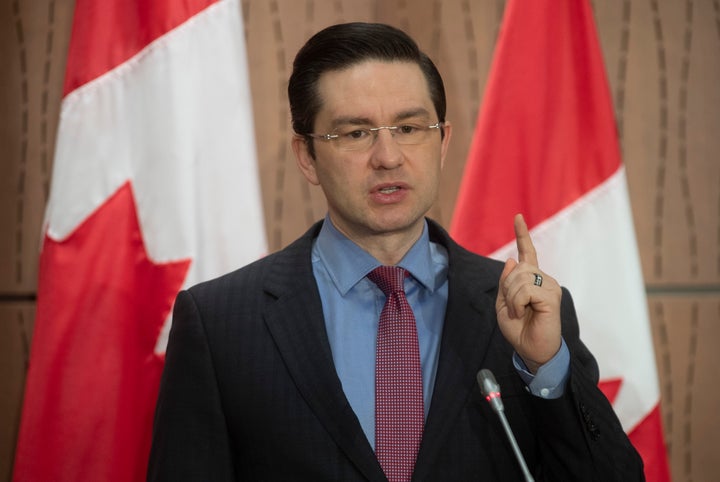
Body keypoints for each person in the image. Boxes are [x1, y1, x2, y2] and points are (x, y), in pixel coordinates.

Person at [148, 22, 644, 481]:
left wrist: (546, 369)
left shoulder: (521, 311)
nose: (387, 157)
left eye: (409, 129)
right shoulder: (221, 323)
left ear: (443, 142)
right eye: (355, 133)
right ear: (307, 156)